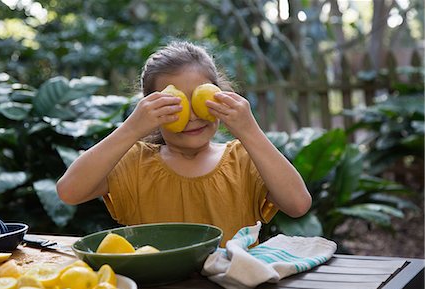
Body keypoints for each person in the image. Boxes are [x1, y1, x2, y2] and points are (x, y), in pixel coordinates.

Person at [57, 40, 311, 245]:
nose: (193, 116)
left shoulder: (244, 159)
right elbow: (69, 191)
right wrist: (131, 129)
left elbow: (298, 204)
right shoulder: (134, 163)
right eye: (175, 104)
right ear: (151, 109)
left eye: (201, 98)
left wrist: (250, 132)